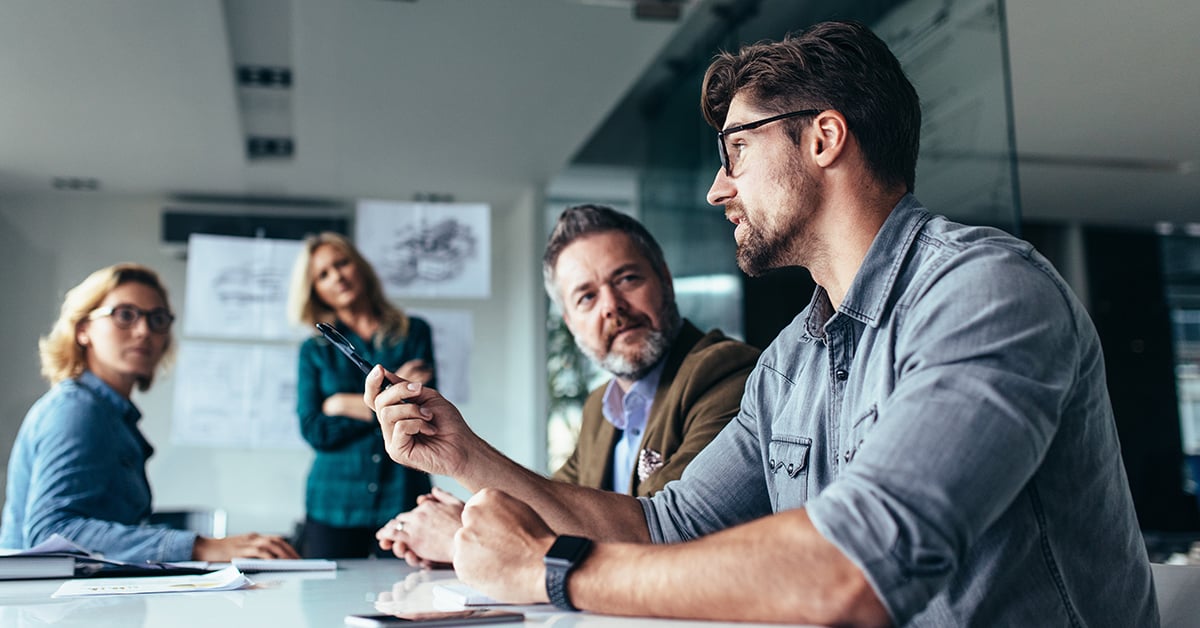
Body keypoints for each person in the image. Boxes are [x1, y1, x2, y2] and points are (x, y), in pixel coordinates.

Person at [365, 20, 1157, 626]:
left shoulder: (986, 293)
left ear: (823, 137)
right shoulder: (790, 363)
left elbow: (856, 570)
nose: (718, 189)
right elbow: (662, 525)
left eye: (736, 151)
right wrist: (462, 454)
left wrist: (551, 570)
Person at [374, 204, 761, 566]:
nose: (611, 306)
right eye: (586, 297)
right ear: (570, 321)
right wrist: (474, 518)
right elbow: (553, 509)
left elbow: (660, 536)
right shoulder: (600, 407)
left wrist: (464, 535)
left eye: (626, 279)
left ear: (664, 279)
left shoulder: (726, 373)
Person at [0, 263, 299, 563]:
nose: (144, 331)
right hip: (46, 607)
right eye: (124, 315)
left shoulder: (111, 415)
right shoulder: (77, 410)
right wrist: (200, 546)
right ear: (83, 329)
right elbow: (51, 534)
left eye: (157, 320)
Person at [288, 232, 436, 558]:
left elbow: (422, 413)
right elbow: (314, 429)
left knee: (408, 597)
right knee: (327, 605)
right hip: (334, 503)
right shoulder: (314, 351)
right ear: (315, 291)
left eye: (342, 263)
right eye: (323, 274)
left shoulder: (414, 333)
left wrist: (341, 404)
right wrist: (386, 404)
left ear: (360, 267)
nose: (337, 276)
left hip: (402, 496)